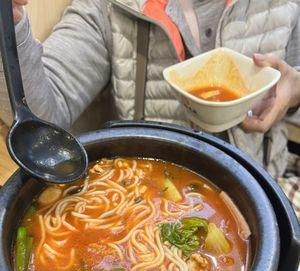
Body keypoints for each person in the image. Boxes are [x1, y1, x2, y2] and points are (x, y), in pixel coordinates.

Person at [1, 0, 300, 181]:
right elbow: (42, 119)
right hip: (144, 189)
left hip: (261, 182)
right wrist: (10, 25)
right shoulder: (106, 7)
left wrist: (294, 89)